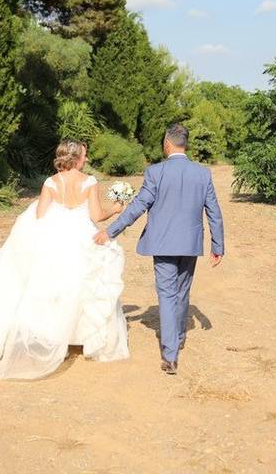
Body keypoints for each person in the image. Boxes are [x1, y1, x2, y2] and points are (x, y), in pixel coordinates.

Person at [0, 139, 129, 379]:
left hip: (53, 237)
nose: (87, 159)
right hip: (81, 236)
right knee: (81, 283)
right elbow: (96, 215)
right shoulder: (89, 182)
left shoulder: (50, 182)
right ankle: (77, 336)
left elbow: (40, 215)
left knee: (50, 285)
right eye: (84, 155)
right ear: (76, 158)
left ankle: (50, 333)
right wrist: (116, 209)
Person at [94, 124, 225, 375]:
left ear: (167, 143)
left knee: (167, 293)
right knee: (182, 291)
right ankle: (179, 337)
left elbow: (137, 207)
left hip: (163, 243)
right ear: (184, 144)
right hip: (190, 243)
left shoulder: (156, 172)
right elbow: (214, 213)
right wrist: (217, 246)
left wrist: (110, 231)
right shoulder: (202, 173)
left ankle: (170, 354)